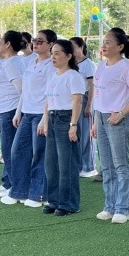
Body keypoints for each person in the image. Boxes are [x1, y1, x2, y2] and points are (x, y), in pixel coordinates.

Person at [1, 30, 56, 207]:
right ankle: (19, 191)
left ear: (50, 44)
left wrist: (45, 118)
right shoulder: (31, 63)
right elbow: (25, 91)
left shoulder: (51, 65)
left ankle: (38, 194)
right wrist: (18, 112)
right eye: (34, 40)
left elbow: (50, 94)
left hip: (41, 114)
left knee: (40, 154)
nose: (36, 43)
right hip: (26, 113)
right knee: (17, 151)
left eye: (40, 41)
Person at [93, 30, 129, 224]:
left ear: (120, 46)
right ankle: (109, 206)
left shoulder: (126, 67)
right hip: (101, 117)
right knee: (106, 165)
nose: (104, 45)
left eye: (108, 42)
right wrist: (95, 121)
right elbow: (97, 95)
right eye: (104, 42)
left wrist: (122, 113)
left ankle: (123, 208)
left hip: (117, 119)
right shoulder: (100, 66)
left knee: (120, 164)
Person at [39, 39, 86, 216]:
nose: (53, 57)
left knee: (67, 164)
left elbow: (77, 101)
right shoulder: (53, 76)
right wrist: (45, 122)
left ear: (68, 56)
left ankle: (69, 203)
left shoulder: (73, 76)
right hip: (52, 118)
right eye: (52, 53)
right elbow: (48, 101)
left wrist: (73, 125)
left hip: (66, 118)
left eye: (57, 53)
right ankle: (54, 200)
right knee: (51, 164)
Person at [0, 31, 25, 197]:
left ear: (8, 44)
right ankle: (8, 182)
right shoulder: (8, 62)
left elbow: (22, 90)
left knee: (10, 150)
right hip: (3, 109)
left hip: (11, 110)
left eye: (0, 41)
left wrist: (17, 112)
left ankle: (14, 185)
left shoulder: (12, 63)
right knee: (7, 149)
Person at [71, 37, 98, 178]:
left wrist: (89, 105)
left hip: (85, 98)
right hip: (73, 99)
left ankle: (89, 167)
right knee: (76, 133)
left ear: (81, 47)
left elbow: (92, 86)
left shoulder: (88, 64)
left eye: (74, 47)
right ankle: (78, 165)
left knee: (86, 134)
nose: (71, 50)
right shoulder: (70, 63)